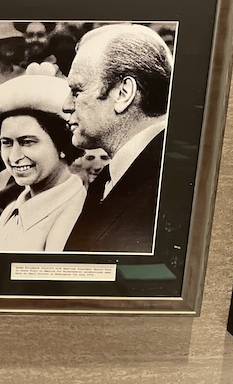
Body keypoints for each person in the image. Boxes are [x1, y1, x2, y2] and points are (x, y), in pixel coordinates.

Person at [62, 23, 173, 253]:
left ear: (123, 93)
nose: (66, 106)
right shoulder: (111, 177)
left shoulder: (168, 185)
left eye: (76, 91)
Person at [0, 75, 86, 253]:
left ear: (62, 144)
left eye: (27, 142)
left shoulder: (77, 213)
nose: (14, 156)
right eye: (6, 142)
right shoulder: (12, 210)